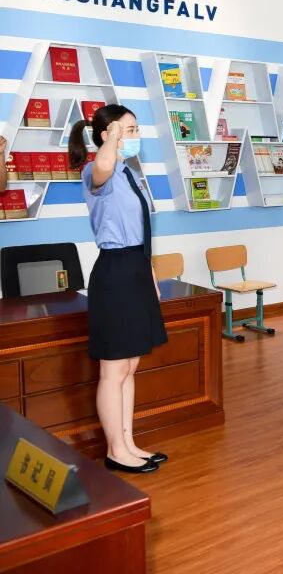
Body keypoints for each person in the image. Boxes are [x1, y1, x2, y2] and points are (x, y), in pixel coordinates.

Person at [68, 104, 166, 474]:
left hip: (136, 268)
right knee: (113, 370)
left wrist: (150, 275)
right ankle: (115, 451)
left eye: (137, 128)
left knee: (130, 366)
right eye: (130, 129)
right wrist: (111, 138)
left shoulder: (129, 172)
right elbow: (104, 163)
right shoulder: (97, 170)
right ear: (107, 133)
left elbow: (141, 231)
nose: (137, 135)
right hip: (115, 273)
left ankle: (128, 443)